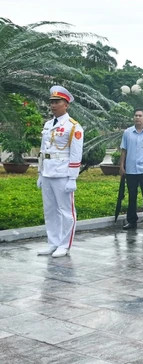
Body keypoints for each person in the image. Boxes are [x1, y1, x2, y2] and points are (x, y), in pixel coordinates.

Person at [36, 86, 84, 258]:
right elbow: (43, 150)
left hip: (63, 173)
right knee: (50, 210)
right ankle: (53, 242)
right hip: (48, 172)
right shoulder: (48, 124)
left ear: (66, 105)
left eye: (57, 102)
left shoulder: (73, 127)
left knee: (66, 211)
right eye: (52, 102)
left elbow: (75, 153)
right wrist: (40, 173)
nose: (53, 105)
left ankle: (64, 245)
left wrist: (73, 177)